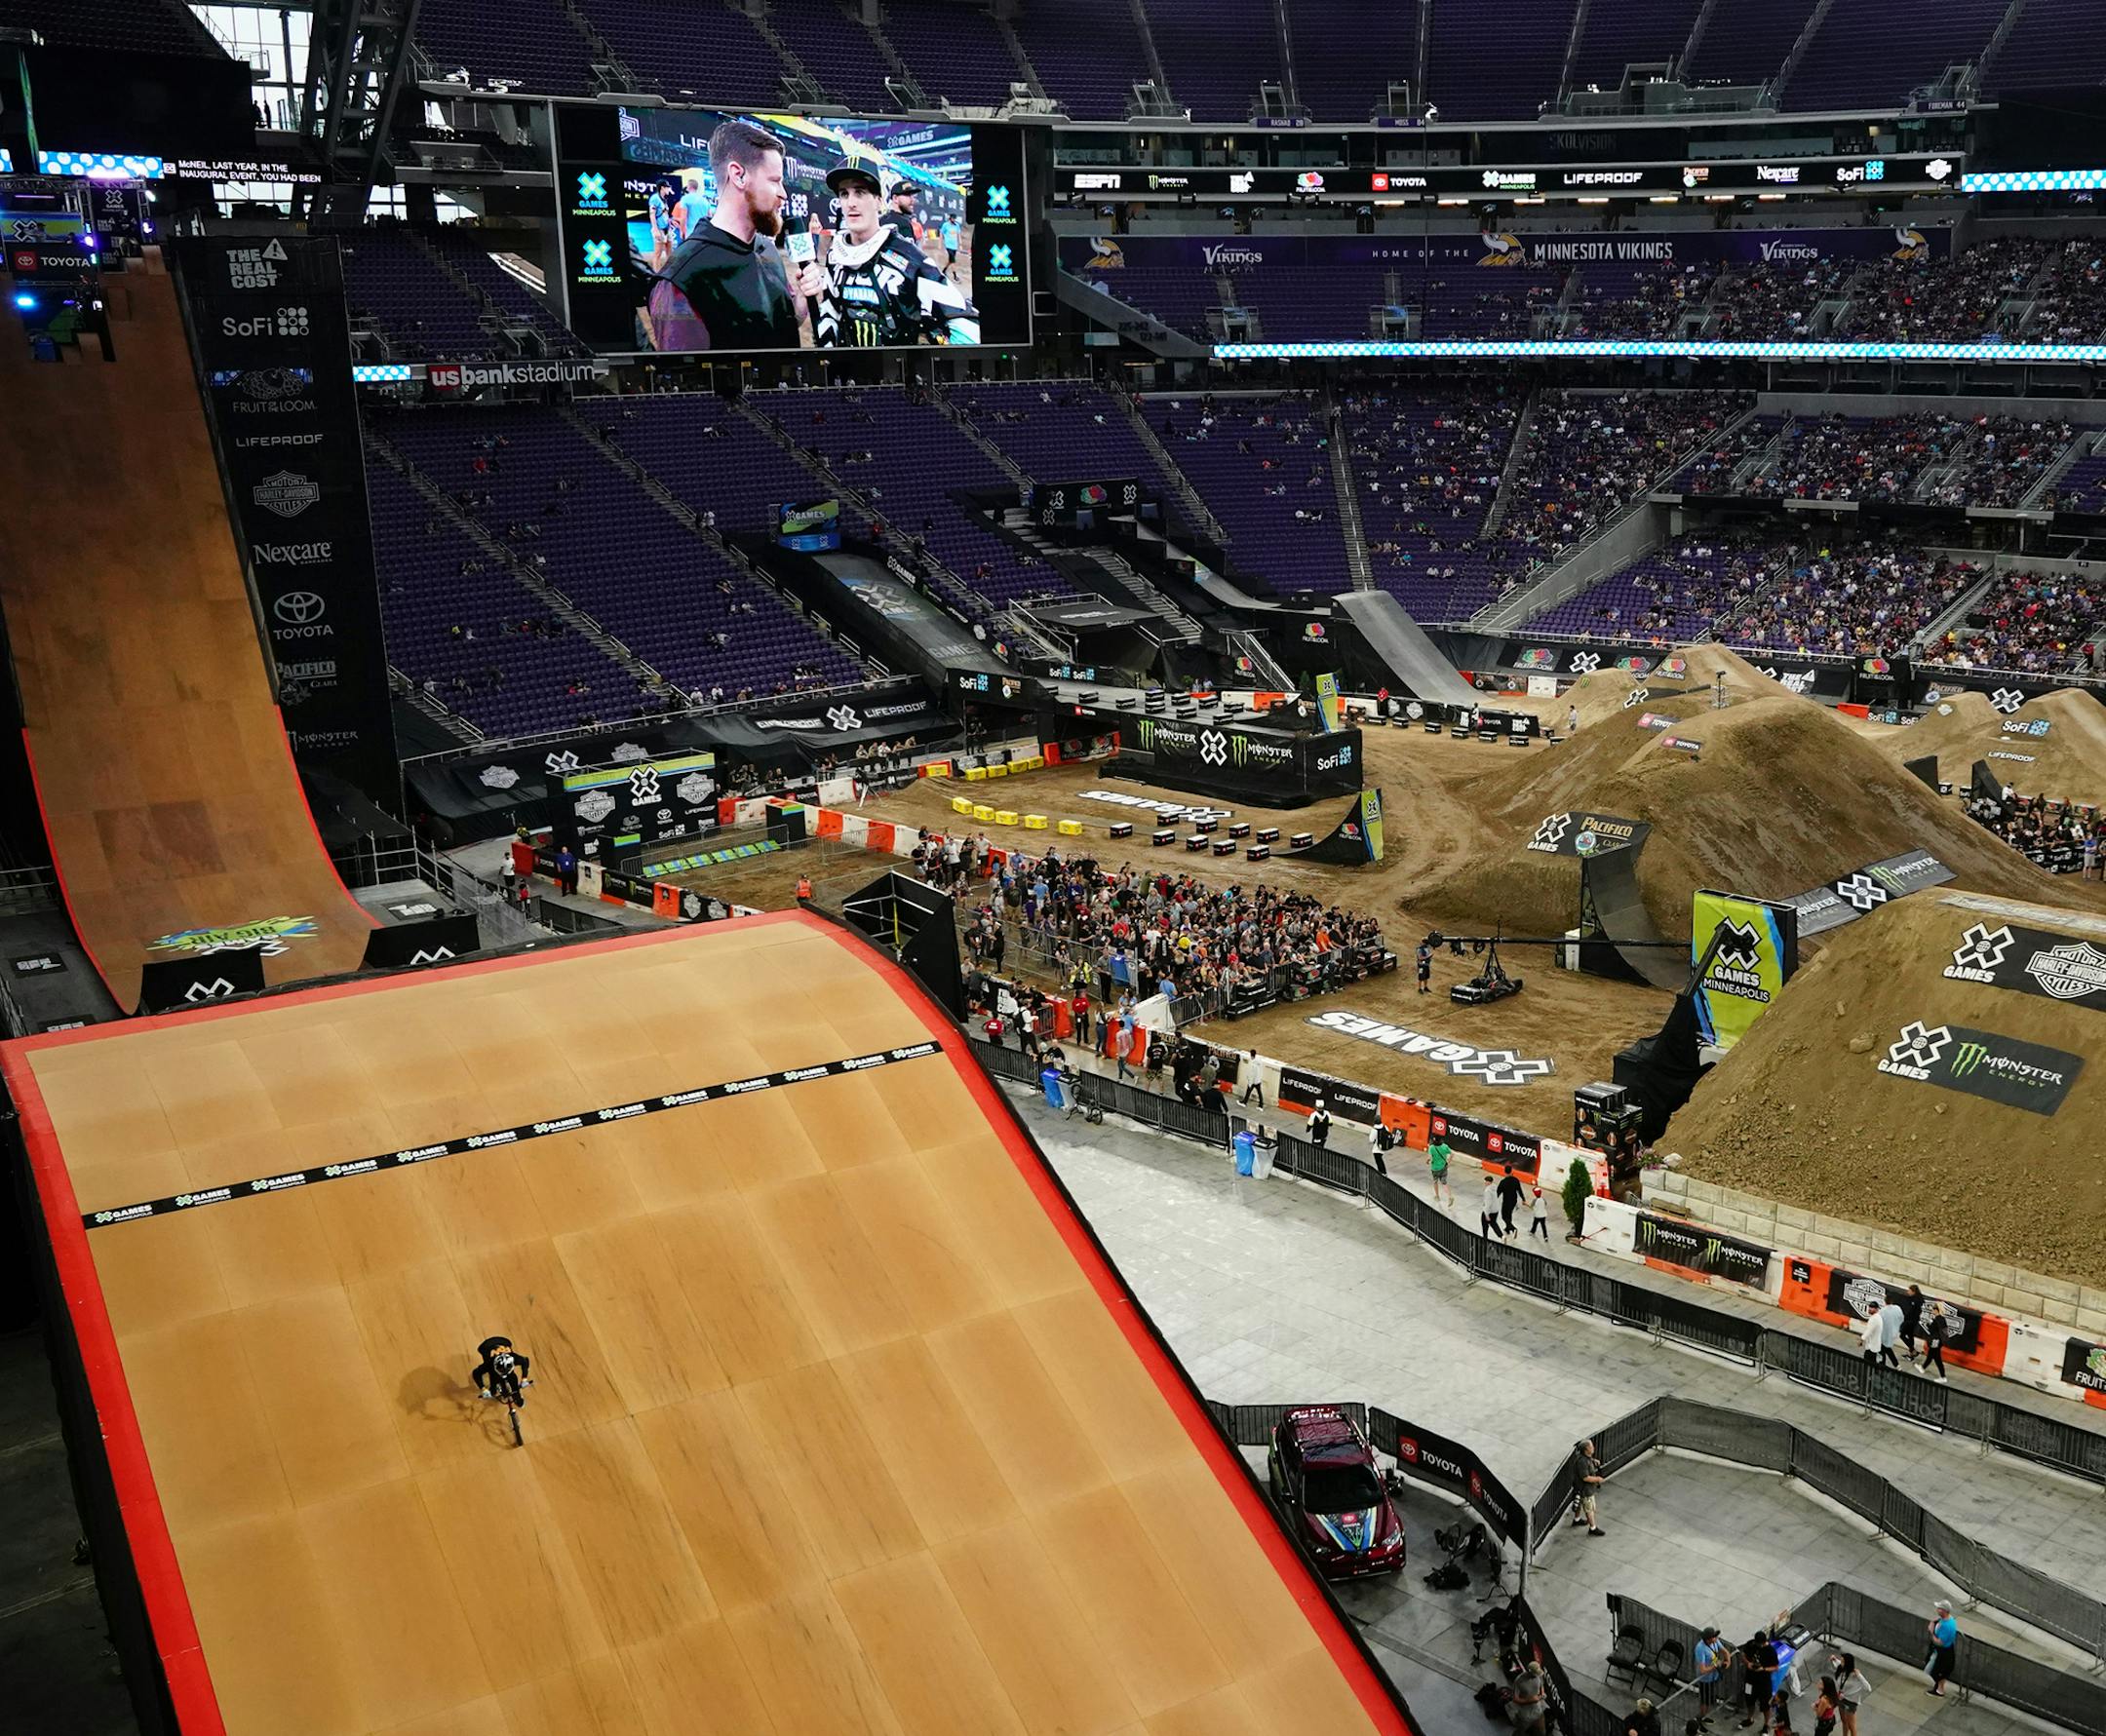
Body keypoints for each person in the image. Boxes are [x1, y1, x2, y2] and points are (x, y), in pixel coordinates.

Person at [649, 120, 810, 351]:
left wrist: (802, 301)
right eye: (775, 181)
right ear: (738, 175)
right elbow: (690, 380)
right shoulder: (680, 278)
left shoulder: (767, 249)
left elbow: (779, 326)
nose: (783, 194)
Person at [813, 163, 979, 347]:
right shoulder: (835, 256)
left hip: (900, 371)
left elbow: (965, 321)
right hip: (848, 372)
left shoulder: (911, 259)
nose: (851, 202)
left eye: (860, 193)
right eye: (844, 194)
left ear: (878, 200)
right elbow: (829, 311)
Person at [472, 1335, 532, 1406]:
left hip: (505, 1342)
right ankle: (493, 1389)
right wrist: (483, 1389)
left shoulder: (513, 1357)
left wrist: (524, 1379)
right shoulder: (490, 1363)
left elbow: (525, 1361)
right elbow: (476, 1373)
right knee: (493, 1374)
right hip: (486, 1347)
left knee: (511, 1377)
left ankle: (516, 1395)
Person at [1832, 1652, 1871, 1736]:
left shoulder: (1855, 1675)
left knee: (1851, 1726)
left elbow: (1868, 1688)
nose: (1841, 1663)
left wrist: (1859, 1675)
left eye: (1843, 1662)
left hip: (1850, 1702)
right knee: (1844, 1722)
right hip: (1841, 1699)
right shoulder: (1842, 1669)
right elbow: (1839, 1664)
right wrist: (1835, 1659)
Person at [1573, 1438, 1605, 1536]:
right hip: (1585, 1490)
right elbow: (1585, 1478)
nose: (1593, 1447)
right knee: (1589, 1509)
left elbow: (1588, 1460)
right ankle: (1593, 1528)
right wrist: (1597, 1479)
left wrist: (1593, 1460)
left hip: (1580, 1488)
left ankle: (1577, 1519)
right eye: (1591, 1446)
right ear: (1586, 1449)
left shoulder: (1584, 1458)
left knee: (1579, 1504)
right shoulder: (1582, 1462)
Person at [1926, 1600, 1958, 1696]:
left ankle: (1939, 1689)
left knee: (1933, 1669)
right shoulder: (1948, 1620)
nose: (1937, 1609)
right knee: (1938, 1670)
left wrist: (1931, 1631)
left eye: (1939, 1608)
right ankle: (1939, 1688)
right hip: (1944, 1651)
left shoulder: (1947, 1626)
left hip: (1942, 1652)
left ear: (1943, 1611)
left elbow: (1940, 1642)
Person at [1694, 1627, 1727, 1720]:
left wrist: (1727, 1661)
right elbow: (1703, 1670)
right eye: (1713, 1637)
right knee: (1705, 1701)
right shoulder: (1700, 1649)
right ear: (1708, 1639)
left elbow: (1725, 1651)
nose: (1715, 1639)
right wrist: (1716, 1666)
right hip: (1705, 1679)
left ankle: (1704, 1716)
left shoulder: (1715, 1641)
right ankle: (1700, 1719)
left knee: (1708, 1700)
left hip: (1713, 1677)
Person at [1509, 1658, 1547, 1732]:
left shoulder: (1538, 1675)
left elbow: (1541, 1685)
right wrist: (1528, 1700)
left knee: (1542, 1733)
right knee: (1520, 1733)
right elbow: (1515, 1699)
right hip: (1525, 1716)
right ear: (1530, 1671)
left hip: (1538, 1712)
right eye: (1536, 1673)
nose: (1538, 1675)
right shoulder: (1519, 1681)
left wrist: (1542, 1693)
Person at [1919, 1302, 1951, 1383]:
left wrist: (1929, 1323)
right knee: (1931, 1355)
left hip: (1935, 1341)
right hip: (1939, 1341)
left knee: (1937, 1359)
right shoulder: (1942, 1319)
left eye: (1933, 1309)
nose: (1932, 1311)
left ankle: (1943, 1377)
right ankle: (1923, 1367)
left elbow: (1931, 1330)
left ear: (1937, 1310)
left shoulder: (1936, 1320)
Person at [1497, 1167, 1526, 1235]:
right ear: (1511, 1171)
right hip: (1513, 1201)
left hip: (1506, 1201)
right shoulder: (1516, 1180)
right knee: (1509, 1214)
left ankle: (1513, 1228)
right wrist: (1523, 1199)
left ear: (1504, 1172)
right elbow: (1519, 1190)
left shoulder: (1503, 1182)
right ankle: (1507, 1229)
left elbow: (1498, 1193)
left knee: (1504, 1216)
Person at [1428, 1132, 1453, 1207]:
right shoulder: (1445, 1146)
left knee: (1435, 1181)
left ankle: (1437, 1196)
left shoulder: (1431, 1148)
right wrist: (1448, 1162)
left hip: (1435, 1168)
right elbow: (1452, 1153)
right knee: (1444, 1183)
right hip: (1444, 1167)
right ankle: (1449, 1196)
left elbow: (1430, 1158)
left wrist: (1428, 1161)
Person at [1480, 1175, 1504, 1240]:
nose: (1484, 1183)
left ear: (1488, 1182)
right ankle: (1501, 1236)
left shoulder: (1488, 1191)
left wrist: (1486, 1214)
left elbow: (1488, 1203)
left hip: (1489, 1211)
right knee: (1493, 1223)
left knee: (1484, 1224)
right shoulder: (1495, 1187)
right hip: (1495, 1210)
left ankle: (1485, 1238)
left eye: (1485, 1181)